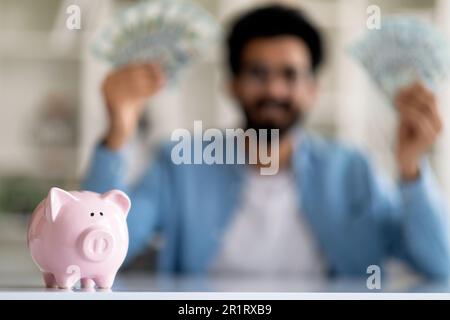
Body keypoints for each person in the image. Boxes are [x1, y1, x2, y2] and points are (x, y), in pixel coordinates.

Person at [83, 5, 450, 279]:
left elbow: (441, 265)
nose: (274, 89)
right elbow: (96, 253)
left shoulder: (353, 170)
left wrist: (411, 168)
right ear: (232, 85)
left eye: (290, 75)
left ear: (311, 89)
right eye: (258, 73)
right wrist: (119, 132)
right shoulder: (181, 164)